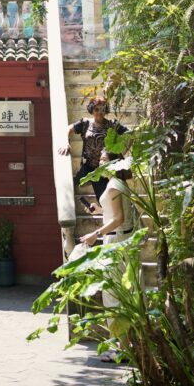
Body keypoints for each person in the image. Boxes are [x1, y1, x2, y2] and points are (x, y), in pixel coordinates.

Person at [80, 148, 135, 362]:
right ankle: (124, 346)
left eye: (103, 159)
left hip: (116, 241)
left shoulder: (113, 185)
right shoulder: (118, 184)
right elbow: (115, 213)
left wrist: (94, 234)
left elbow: (119, 218)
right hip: (121, 239)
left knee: (113, 297)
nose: (100, 162)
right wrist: (98, 210)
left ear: (114, 163)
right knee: (119, 294)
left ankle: (119, 349)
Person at [58, 97, 128, 209]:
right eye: (97, 109)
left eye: (103, 109)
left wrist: (119, 150)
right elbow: (68, 129)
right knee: (100, 198)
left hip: (108, 169)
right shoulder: (85, 123)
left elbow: (129, 136)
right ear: (92, 109)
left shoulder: (113, 125)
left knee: (111, 201)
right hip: (91, 168)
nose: (100, 112)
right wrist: (65, 143)